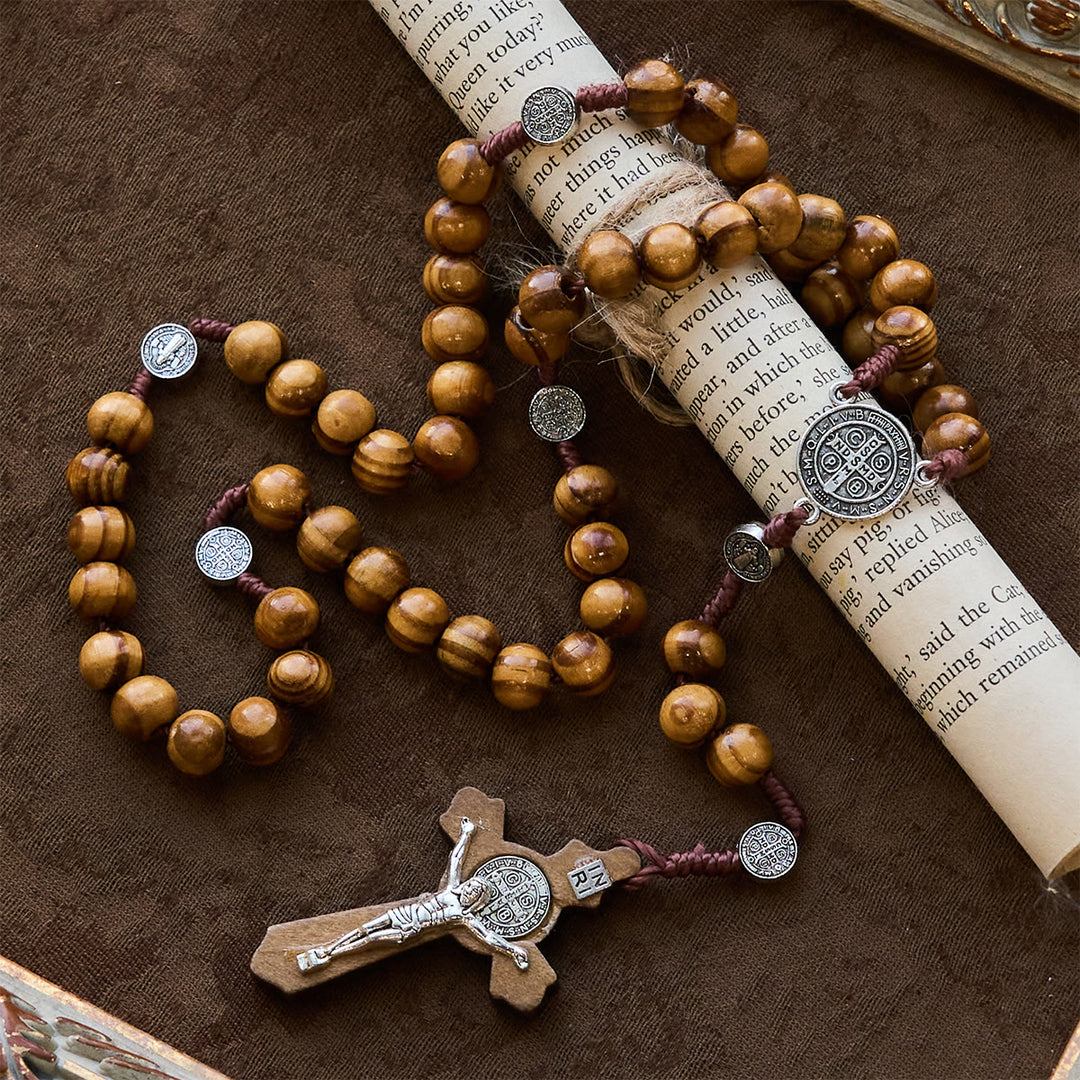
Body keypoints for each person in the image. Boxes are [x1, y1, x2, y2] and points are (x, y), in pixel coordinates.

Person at [296, 817, 530, 973]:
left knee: (371, 940)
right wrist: (466, 834)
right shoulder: (451, 888)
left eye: (476, 892)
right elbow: (456, 859)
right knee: (363, 929)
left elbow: (488, 936)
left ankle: (333, 955)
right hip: (402, 913)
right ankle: (326, 949)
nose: (470, 890)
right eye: (472, 885)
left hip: (408, 931)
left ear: (477, 901)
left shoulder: (463, 917)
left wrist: (513, 950)